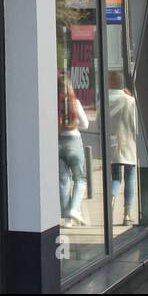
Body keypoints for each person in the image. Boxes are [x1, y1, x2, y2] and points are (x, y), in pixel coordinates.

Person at [106, 71, 138, 227]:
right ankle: (126, 215)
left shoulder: (103, 101)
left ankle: (111, 201)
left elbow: (100, 123)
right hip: (129, 143)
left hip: (112, 144)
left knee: (116, 178)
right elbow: (135, 125)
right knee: (130, 177)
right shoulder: (130, 101)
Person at [58, 75, 89, 227]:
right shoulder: (75, 103)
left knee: (63, 181)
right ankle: (75, 209)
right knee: (80, 178)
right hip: (74, 141)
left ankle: (67, 219)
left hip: (57, 143)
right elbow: (85, 124)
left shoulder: (53, 104)